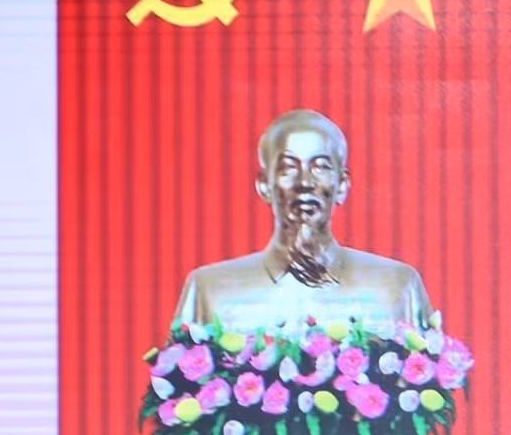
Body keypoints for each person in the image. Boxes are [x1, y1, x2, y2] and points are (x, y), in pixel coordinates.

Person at [171, 108, 432, 333]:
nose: (305, 182)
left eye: (321, 166)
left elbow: (428, 389)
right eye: (288, 168)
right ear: (264, 185)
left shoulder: (395, 286)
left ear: (341, 185)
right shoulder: (211, 290)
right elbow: (181, 389)